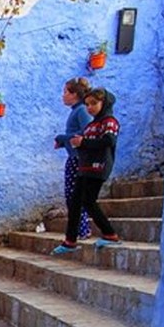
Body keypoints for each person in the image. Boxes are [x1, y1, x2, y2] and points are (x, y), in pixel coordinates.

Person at [51, 88, 122, 255]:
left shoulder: (109, 122)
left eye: (94, 103)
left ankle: (110, 233)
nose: (90, 107)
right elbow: (82, 140)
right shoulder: (92, 125)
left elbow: (108, 140)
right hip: (84, 167)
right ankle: (70, 240)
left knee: (88, 201)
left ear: (104, 103)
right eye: (88, 104)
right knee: (75, 202)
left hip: (98, 167)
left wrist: (84, 142)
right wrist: (68, 142)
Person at [54, 77, 93, 239]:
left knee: (75, 194)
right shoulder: (76, 111)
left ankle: (82, 229)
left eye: (65, 92)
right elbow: (76, 136)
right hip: (74, 157)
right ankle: (79, 228)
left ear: (75, 94)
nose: (63, 96)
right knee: (71, 194)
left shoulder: (82, 110)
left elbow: (87, 132)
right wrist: (64, 143)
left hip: (80, 159)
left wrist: (63, 138)